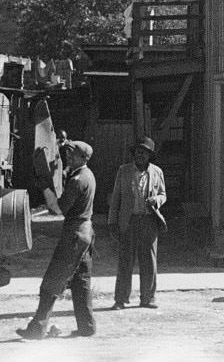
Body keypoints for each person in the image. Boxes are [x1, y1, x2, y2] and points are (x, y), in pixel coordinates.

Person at [17, 140, 96, 339]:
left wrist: (45, 187)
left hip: (74, 235)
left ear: (82, 158)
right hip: (86, 234)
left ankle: (37, 329)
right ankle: (87, 327)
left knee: (52, 281)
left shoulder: (77, 180)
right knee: (81, 281)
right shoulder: (87, 175)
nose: (68, 156)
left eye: (72, 154)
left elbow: (59, 209)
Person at [108, 136, 167, 310]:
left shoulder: (157, 172)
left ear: (150, 155)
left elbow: (163, 194)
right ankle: (120, 299)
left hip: (149, 221)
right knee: (125, 261)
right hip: (129, 221)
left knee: (149, 261)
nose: (140, 155)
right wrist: (112, 222)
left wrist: (157, 200)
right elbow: (116, 197)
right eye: (138, 152)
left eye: (144, 152)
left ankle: (148, 298)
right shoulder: (124, 171)